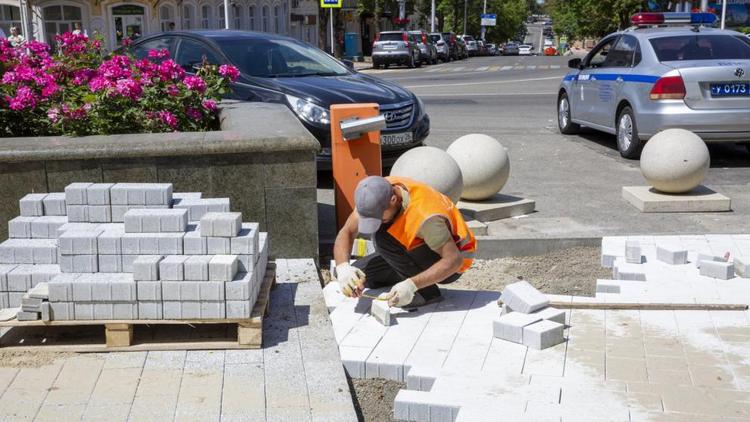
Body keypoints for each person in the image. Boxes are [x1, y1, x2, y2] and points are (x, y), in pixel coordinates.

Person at [333, 176, 476, 308]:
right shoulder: (372, 194)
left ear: (393, 200)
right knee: (359, 277)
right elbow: (347, 232)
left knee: (382, 236)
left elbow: (454, 261)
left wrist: (411, 285)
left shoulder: (426, 217)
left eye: (379, 217)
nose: (377, 221)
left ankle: (426, 293)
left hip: (452, 262)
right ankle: (405, 274)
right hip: (417, 246)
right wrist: (343, 268)